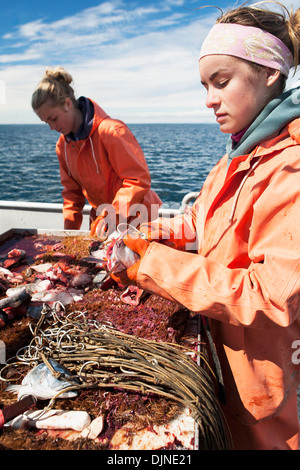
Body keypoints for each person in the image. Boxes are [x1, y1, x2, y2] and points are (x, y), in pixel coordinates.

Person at [111, 3, 300, 450]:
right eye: (205, 86)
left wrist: (153, 266)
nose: (209, 100)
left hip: (269, 386)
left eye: (221, 82)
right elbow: (202, 221)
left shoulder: (290, 167)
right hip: (228, 359)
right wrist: (143, 233)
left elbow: (272, 296)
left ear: (271, 73)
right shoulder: (238, 153)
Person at [31, 67, 162, 237]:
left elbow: (137, 180)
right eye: (46, 122)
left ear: (68, 104)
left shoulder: (112, 131)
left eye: (53, 119)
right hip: (104, 222)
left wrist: (111, 215)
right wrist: (68, 237)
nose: (52, 128)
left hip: (139, 220)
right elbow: (72, 195)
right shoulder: (62, 146)